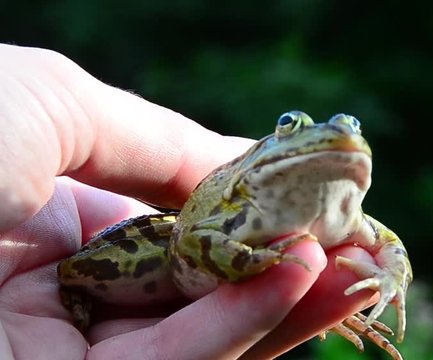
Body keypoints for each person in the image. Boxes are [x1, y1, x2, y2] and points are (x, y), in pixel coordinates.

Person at [0, 44, 377, 359]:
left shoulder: (349, 217)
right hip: (175, 246)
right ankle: (73, 288)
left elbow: (387, 249)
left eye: (351, 129)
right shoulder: (246, 191)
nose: (331, 137)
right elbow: (194, 239)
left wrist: (388, 279)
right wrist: (253, 261)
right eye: (290, 126)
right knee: (76, 269)